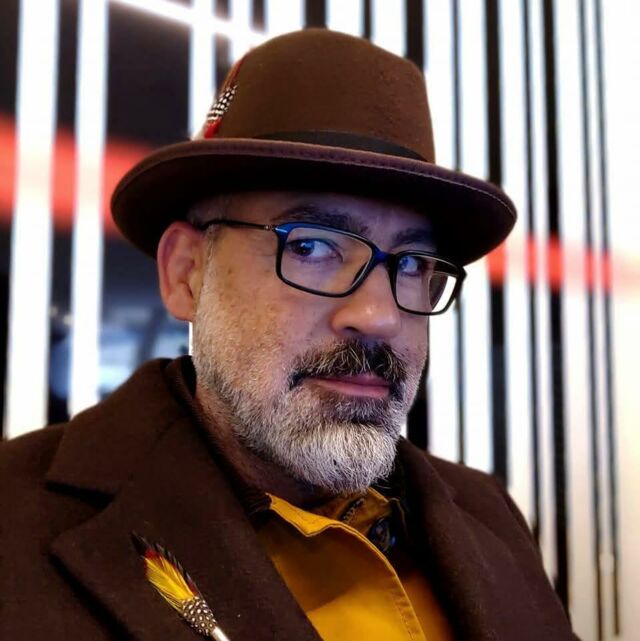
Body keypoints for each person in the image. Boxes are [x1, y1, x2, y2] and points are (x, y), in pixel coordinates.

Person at [0, 29, 577, 641]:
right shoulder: (17, 521)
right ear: (187, 273)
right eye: (311, 247)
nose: (379, 317)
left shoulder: (488, 514)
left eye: (411, 264)